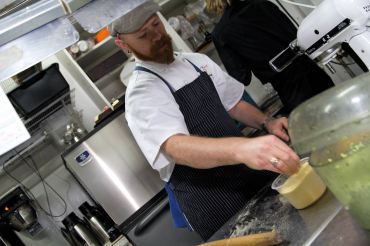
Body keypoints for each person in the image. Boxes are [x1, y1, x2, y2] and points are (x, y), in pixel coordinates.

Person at [109, 1, 300, 241]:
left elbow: (233, 104)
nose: (156, 36)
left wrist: (267, 122)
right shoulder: (142, 93)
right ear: (123, 45)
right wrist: (242, 148)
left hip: (248, 176)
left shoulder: (195, 62)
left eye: (156, 24)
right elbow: (176, 147)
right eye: (143, 35)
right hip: (213, 200)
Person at [207, 0, 335, 114]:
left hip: (290, 88)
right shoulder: (263, 4)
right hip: (313, 71)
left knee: (316, 128)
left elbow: (242, 77)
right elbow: (297, 34)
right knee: (340, 113)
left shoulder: (220, 33)